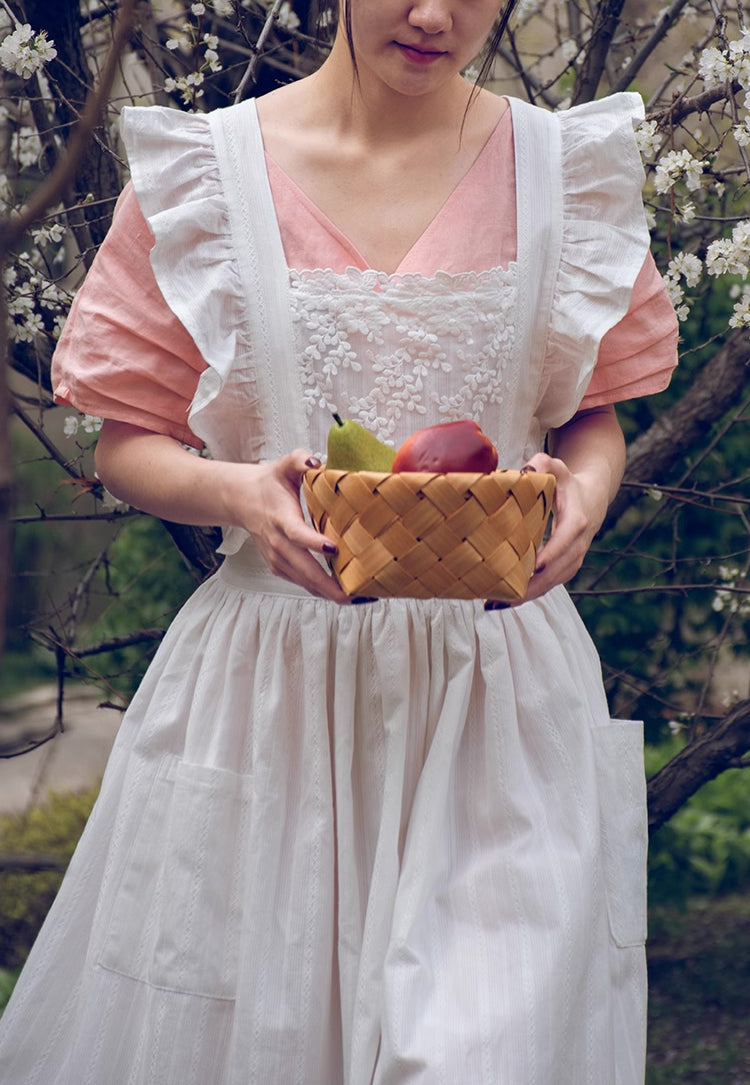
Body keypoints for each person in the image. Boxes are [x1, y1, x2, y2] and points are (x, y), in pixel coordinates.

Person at [0, 1, 679, 1082]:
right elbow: (130, 441)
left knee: (486, 1049)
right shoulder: (209, 178)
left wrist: (586, 493)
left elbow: (593, 407)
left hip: (495, 690)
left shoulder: (560, 175)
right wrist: (237, 492)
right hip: (272, 690)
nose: (432, 15)